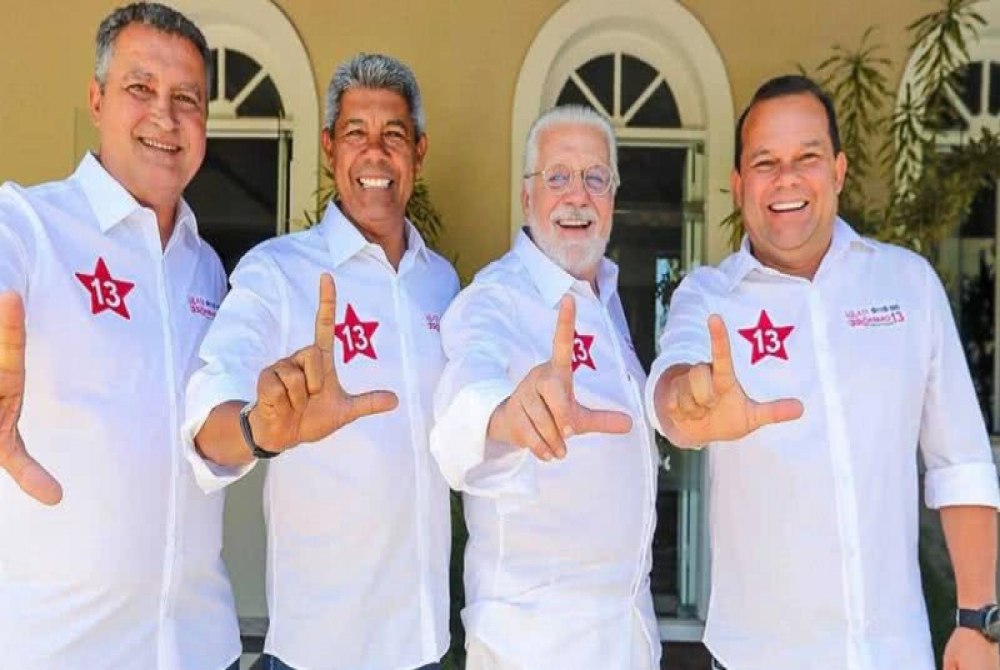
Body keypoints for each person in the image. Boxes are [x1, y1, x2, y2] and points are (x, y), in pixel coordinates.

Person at [647, 74, 1000, 670]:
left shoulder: (908, 284)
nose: (787, 178)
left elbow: (960, 463)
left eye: (806, 157)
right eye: (765, 162)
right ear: (739, 185)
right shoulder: (708, 298)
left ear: (837, 171)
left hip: (894, 654)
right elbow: (672, 388)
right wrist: (687, 403)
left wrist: (978, 622)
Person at [183, 53, 459, 670]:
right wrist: (259, 429)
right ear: (331, 147)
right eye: (356, 132)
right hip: (320, 650)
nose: (375, 153)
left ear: (418, 151)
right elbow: (207, 411)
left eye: (393, 134)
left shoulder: (441, 282)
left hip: (422, 644)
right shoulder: (278, 273)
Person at [0, 3, 241, 669]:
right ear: (97, 98)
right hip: (62, 650)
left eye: (187, 98)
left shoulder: (206, 267)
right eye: (141, 88)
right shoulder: (30, 222)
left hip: (201, 647)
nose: (165, 115)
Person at [430, 104, 661, 670]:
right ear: (526, 197)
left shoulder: (604, 296)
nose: (577, 195)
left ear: (612, 197)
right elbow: (463, 397)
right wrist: (504, 416)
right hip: (535, 648)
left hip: (627, 640)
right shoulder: (495, 300)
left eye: (595, 177)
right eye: (557, 177)